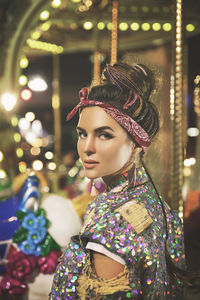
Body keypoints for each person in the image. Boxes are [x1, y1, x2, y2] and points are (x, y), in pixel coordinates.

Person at [49, 62, 187, 299]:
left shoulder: (114, 226)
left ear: (135, 142)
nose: (87, 148)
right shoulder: (153, 201)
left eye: (104, 135)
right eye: (83, 134)